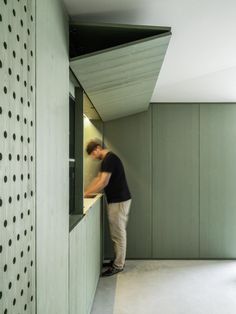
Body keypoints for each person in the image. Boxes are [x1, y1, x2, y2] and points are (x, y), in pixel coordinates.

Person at [85, 140, 132, 277]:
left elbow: (103, 182)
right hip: (117, 200)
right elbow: (98, 179)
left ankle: (118, 265)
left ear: (98, 148)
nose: (93, 157)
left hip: (119, 201)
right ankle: (117, 261)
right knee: (116, 233)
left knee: (118, 233)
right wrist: (86, 192)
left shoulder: (109, 159)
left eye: (93, 153)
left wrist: (87, 193)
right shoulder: (107, 160)